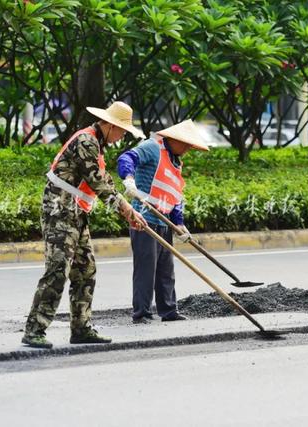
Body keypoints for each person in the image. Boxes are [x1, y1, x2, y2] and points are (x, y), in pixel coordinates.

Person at [22, 101, 148, 349]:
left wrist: (129, 211)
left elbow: (106, 182)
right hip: (60, 210)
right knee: (58, 269)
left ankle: (80, 328)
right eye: (122, 131)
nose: (122, 136)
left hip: (77, 211)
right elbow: (99, 184)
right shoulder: (87, 142)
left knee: (85, 269)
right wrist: (127, 211)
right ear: (110, 125)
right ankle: (34, 329)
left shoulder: (97, 145)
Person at [117, 120, 209, 323]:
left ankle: (168, 311)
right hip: (144, 219)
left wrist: (179, 223)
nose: (187, 149)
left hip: (164, 221)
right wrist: (128, 179)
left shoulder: (175, 161)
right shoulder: (152, 147)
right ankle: (142, 313)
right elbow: (127, 158)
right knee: (146, 269)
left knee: (166, 270)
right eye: (185, 144)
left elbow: (174, 194)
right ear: (174, 139)